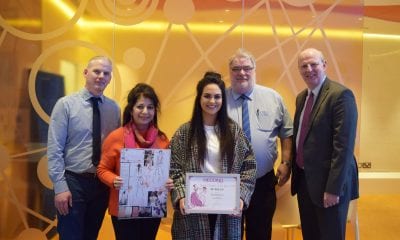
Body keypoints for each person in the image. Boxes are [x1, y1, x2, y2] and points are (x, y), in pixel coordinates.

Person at [169, 71, 257, 239]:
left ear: (223, 100)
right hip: (192, 205)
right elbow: (174, 168)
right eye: (207, 96)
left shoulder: (234, 132)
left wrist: (240, 196)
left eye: (217, 97)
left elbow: (249, 166)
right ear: (199, 99)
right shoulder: (184, 133)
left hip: (225, 204)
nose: (212, 101)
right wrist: (181, 195)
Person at [47, 56, 121, 239]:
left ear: (110, 78)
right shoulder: (65, 105)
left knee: (91, 235)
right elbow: (54, 148)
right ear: (86, 72)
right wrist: (60, 187)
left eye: (106, 73)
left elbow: (116, 149)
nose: (101, 76)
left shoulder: (114, 109)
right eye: (97, 71)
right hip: (73, 183)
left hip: (101, 185)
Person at [291, 48, 359, 240]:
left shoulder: (341, 95)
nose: (309, 69)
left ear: (324, 65)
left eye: (314, 64)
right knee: (311, 235)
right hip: (305, 180)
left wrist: (333, 188)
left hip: (329, 185)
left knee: (330, 236)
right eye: (303, 66)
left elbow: (343, 147)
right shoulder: (301, 98)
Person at [226, 48, 293, 240]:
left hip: (262, 181)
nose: (241, 73)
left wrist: (286, 163)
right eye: (236, 68)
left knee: (261, 233)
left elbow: (287, 133)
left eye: (247, 68)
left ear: (255, 70)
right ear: (229, 72)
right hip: (229, 182)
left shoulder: (273, 98)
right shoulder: (220, 99)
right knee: (230, 234)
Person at [96, 83, 174, 240]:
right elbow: (102, 169)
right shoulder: (116, 137)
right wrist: (113, 180)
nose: (145, 112)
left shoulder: (163, 140)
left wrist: (169, 182)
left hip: (152, 208)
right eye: (140, 106)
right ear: (131, 110)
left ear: (155, 111)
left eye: (150, 107)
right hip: (123, 208)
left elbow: (167, 172)